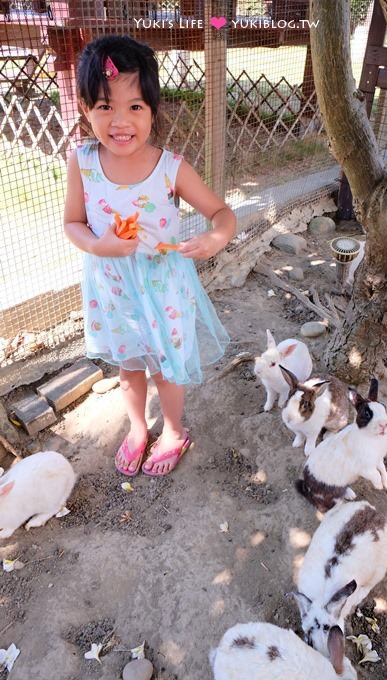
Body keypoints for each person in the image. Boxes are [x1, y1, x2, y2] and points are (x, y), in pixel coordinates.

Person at [64, 35, 236, 477]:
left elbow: (222, 213)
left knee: (167, 368)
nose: (120, 121)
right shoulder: (81, 162)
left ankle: (174, 430)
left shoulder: (170, 167)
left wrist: (216, 238)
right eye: (105, 106)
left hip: (163, 287)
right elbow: (73, 224)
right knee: (129, 366)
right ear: (85, 110)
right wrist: (100, 245)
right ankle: (138, 428)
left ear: (153, 110)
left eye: (134, 107)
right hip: (114, 289)